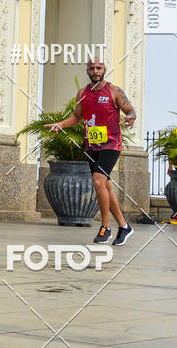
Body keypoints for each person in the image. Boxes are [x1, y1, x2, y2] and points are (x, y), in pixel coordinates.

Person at [45, 57, 137, 246]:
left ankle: (106, 227)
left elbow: (130, 110)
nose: (95, 71)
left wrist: (130, 117)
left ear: (104, 69)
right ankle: (124, 226)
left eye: (99, 67)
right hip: (92, 145)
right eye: (92, 68)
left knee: (98, 181)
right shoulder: (82, 93)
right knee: (106, 186)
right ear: (87, 71)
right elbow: (77, 117)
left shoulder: (114, 90)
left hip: (111, 144)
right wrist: (60, 125)